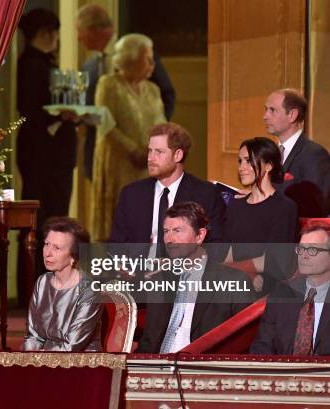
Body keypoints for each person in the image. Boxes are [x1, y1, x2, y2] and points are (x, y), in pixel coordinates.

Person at [136, 202, 254, 354]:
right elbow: (149, 340)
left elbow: (244, 342)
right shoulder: (160, 280)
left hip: (203, 370)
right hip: (158, 368)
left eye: (177, 231)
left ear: (200, 236)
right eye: (166, 231)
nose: (169, 239)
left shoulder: (233, 280)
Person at [76, 4, 176, 179]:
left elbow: (165, 95)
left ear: (94, 30)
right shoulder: (89, 66)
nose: (78, 38)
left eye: (80, 30)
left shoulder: (140, 51)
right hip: (103, 154)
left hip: (142, 156)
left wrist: (152, 143)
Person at [90, 33, 167, 241]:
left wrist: (154, 152)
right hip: (119, 164)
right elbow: (106, 124)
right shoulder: (108, 85)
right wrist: (133, 150)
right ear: (130, 59)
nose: (152, 63)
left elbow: (162, 125)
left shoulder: (153, 90)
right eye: (147, 58)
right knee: (118, 225)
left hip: (147, 165)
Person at [110, 123, 225, 258]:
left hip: (185, 274)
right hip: (139, 274)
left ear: (178, 155)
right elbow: (116, 246)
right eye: (149, 151)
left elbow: (216, 247)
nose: (150, 158)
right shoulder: (131, 194)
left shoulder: (205, 194)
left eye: (159, 152)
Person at [16, 8, 79, 231]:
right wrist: (61, 115)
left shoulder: (39, 64)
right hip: (45, 155)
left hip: (49, 154)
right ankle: (44, 265)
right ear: (45, 33)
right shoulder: (34, 66)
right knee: (48, 215)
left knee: (51, 214)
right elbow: (30, 109)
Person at [223, 137, 299, 293]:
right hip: (234, 284)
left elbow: (276, 261)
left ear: (269, 166)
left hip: (267, 287)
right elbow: (228, 252)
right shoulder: (236, 205)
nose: (242, 167)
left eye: (248, 161)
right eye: (240, 161)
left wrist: (234, 270)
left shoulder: (284, 207)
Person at [22, 217, 102, 351]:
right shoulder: (42, 282)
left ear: (73, 256)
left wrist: (41, 358)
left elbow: (72, 346)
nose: (48, 253)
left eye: (57, 248)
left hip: (81, 363)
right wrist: (29, 358)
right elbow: (33, 335)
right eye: (46, 244)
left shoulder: (89, 290)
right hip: (44, 359)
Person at [251, 221, 330, 355]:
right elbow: (262, 345)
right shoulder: (282, 293)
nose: (304, 255)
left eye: (313, 250)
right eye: (301, 249)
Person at [263, 89, 330, 216]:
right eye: (266, 109)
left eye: (272, 110)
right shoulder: (271, 152)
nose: (265, 116)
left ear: (292, 115)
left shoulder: (314, 154)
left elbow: (316, 207)